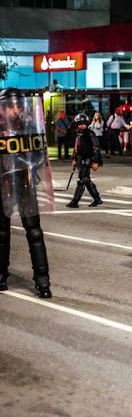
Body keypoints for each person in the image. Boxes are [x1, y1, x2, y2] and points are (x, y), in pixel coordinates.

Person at [0, 88, 52, 298]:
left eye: (19, 105)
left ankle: (43, 280)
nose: (16, 109)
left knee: (35, 232)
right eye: (11, 106)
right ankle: (1, 274)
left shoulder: (30, 127)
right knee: (2, 233)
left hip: (25, 183)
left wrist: (26, 161)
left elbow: (41, 155)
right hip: (2, 184)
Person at [66, 114, 103, 208]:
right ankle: (97, 198)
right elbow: (76, 147)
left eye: (83, 124)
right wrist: (74, 158)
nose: (81, 126)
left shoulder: (90, 134)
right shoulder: (77, 134)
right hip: (79, 158)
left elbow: (97, 148)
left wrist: (96, 162)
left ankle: (75, 201)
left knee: (81, 180)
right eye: (79, 124)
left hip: (87, 158)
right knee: (86, 179)